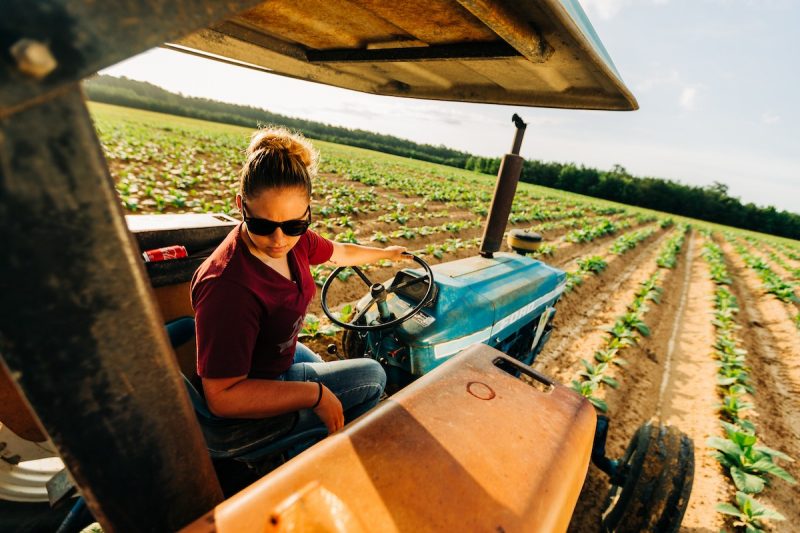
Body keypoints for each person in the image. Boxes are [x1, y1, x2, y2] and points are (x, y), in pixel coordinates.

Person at [191, 126, 406, 438]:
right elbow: (222, 396)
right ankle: (298, 453)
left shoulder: (299, 241)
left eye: (294, 224)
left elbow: (340, 252)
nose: (280, 239)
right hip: (253, 390)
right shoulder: (227, 288)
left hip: (279, 356)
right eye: (262, 225)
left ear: (307, 211)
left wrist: (384, 254)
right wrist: (314, 394)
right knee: (373, 376)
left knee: (318, 362)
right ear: (241, 206)